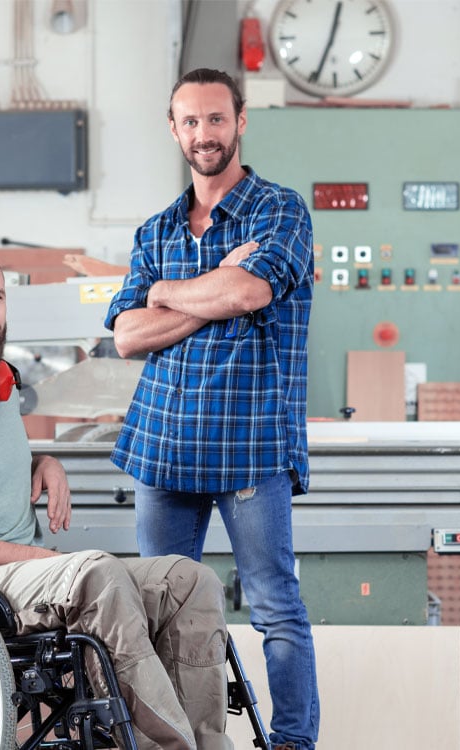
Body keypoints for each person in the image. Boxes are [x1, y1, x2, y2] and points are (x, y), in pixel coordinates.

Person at [0, 239, 234, 750]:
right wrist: (36, 555)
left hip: (27, 578)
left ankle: (206, 743)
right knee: (97, 573)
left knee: (188, 579)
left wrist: (43, 462)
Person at [103, 68, 320, 750]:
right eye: (190, 122)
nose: (204, 134)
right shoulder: (157, 228)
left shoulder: (279, 210)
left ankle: (291, 743)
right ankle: (179, 741)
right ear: (175, 130)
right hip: (162, 446)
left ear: (240, 122)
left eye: (216, 119)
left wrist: (168, 294)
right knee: (155, 613)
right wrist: (203, 287)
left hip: (251, 442)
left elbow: (251, 294)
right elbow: (127, 334)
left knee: (274, 607)